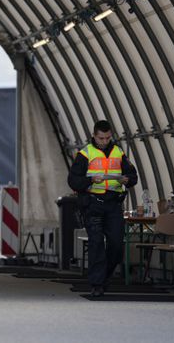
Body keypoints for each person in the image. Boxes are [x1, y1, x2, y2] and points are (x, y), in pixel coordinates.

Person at [68, 119, 138, 297]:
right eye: (101, 138)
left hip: (114, 204)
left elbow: (133, 175)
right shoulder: (85, 154)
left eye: (107, 138)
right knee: (96, 243)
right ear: (94, 136)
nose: (105, 141)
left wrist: (127, 179)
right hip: (93, 204)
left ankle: (103, 276)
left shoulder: (119, 152)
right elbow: (73, 180)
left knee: (116, 244)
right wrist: (91, 180)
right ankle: (97, 284)